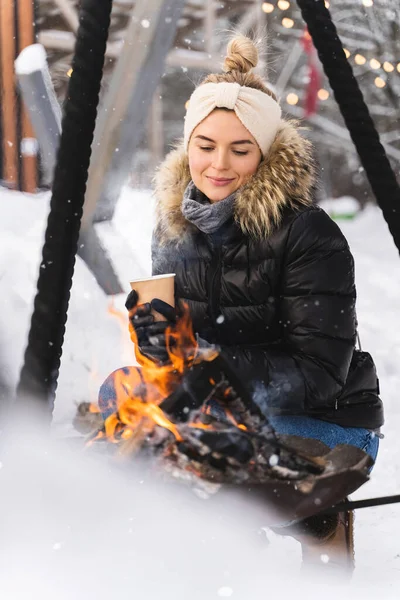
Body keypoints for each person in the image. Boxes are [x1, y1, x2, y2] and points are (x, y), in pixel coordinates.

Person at [99, 34, 383, 572]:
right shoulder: (171, 225)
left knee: (194, 449)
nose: (219, 165)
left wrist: (207, 368)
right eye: (206, 146)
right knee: (119, 398)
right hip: (219, 406)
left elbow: (319, 372)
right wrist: (154, 335)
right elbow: (164, 350)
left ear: (267, 151)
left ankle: (304, 525)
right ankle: (215, 550)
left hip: (320, 420)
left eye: (241, 148)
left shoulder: (308, 233)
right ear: (188, 147)